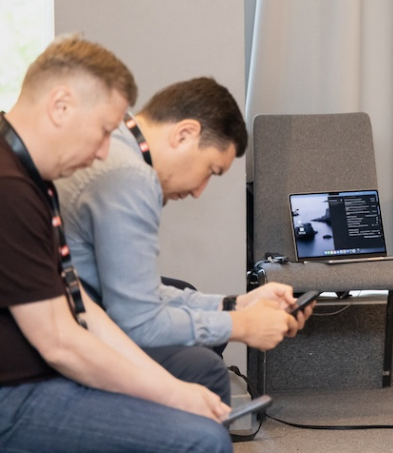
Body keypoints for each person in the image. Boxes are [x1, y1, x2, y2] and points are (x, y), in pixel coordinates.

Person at [0, 35, 232, 452]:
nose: (103, 151)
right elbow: (60, 343)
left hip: (32, 375)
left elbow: (80, 306)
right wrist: (174, 394)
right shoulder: (10, 188)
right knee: (203, 439)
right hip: (14, 394)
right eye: (105, 131)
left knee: (195, 403)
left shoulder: (30, 176)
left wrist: (170, 387)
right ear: (61, 107)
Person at [57, 76, 310, 405]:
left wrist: (236, 305)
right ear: (184, 134)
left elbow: (143, 291)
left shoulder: (119, 142)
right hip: (73, 322)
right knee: (205, 368)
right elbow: (139, 322)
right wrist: (241, 325)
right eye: (210, 170)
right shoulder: (131, 177)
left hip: (83, 298)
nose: (198, 191)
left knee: (187, 295)